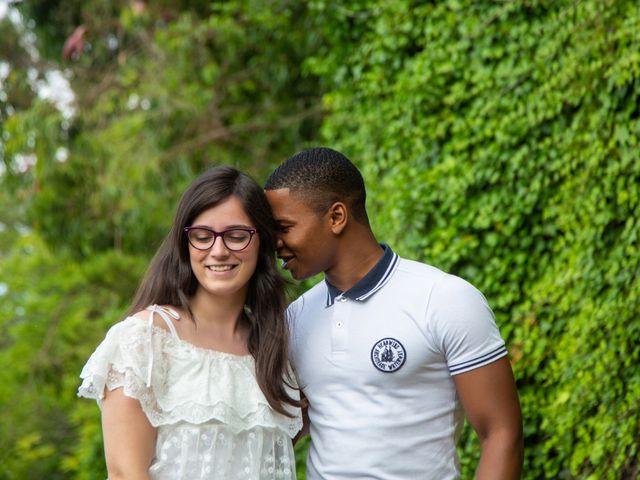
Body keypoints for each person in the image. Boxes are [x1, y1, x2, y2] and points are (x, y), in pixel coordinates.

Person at [264, 147, 524, 479]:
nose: (275, 244)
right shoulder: (295, 318)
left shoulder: (443, 299)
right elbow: (275, 434)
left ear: (336, 217)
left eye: (284, 228)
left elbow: (502, 433)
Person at [78, 166, 302, 480]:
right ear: (185, 244)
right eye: (202, 236)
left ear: (262, 242)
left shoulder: (276, 347)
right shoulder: (145, 340)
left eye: (237, 236)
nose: (219, 251)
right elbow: (125, 474)